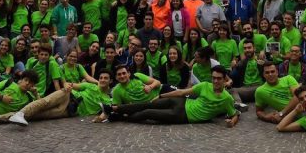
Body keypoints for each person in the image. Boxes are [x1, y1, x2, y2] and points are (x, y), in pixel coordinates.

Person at [101, 65, 239, 127]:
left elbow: (235, 113)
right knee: (148, 105)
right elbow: (182, 92)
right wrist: (162, 96)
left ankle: (119, 116)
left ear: (224, 80)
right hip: (181, 102)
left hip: (184, 116)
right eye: (213, 78)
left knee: (149, 113)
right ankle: (114, 108)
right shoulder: (204, 85)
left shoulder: (226, 98)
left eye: (219, 79)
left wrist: (232, 122)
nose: (215, 81)